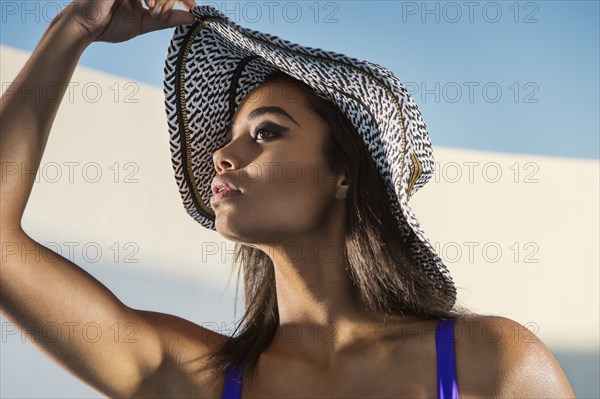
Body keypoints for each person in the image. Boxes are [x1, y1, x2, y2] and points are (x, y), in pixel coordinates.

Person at [0, 0, 575, 398]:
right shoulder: (198, 378)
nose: (223, 155)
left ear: (344, 174)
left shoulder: (491, 362)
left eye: (267, 131)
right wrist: (74, 26)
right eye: (230, 134)